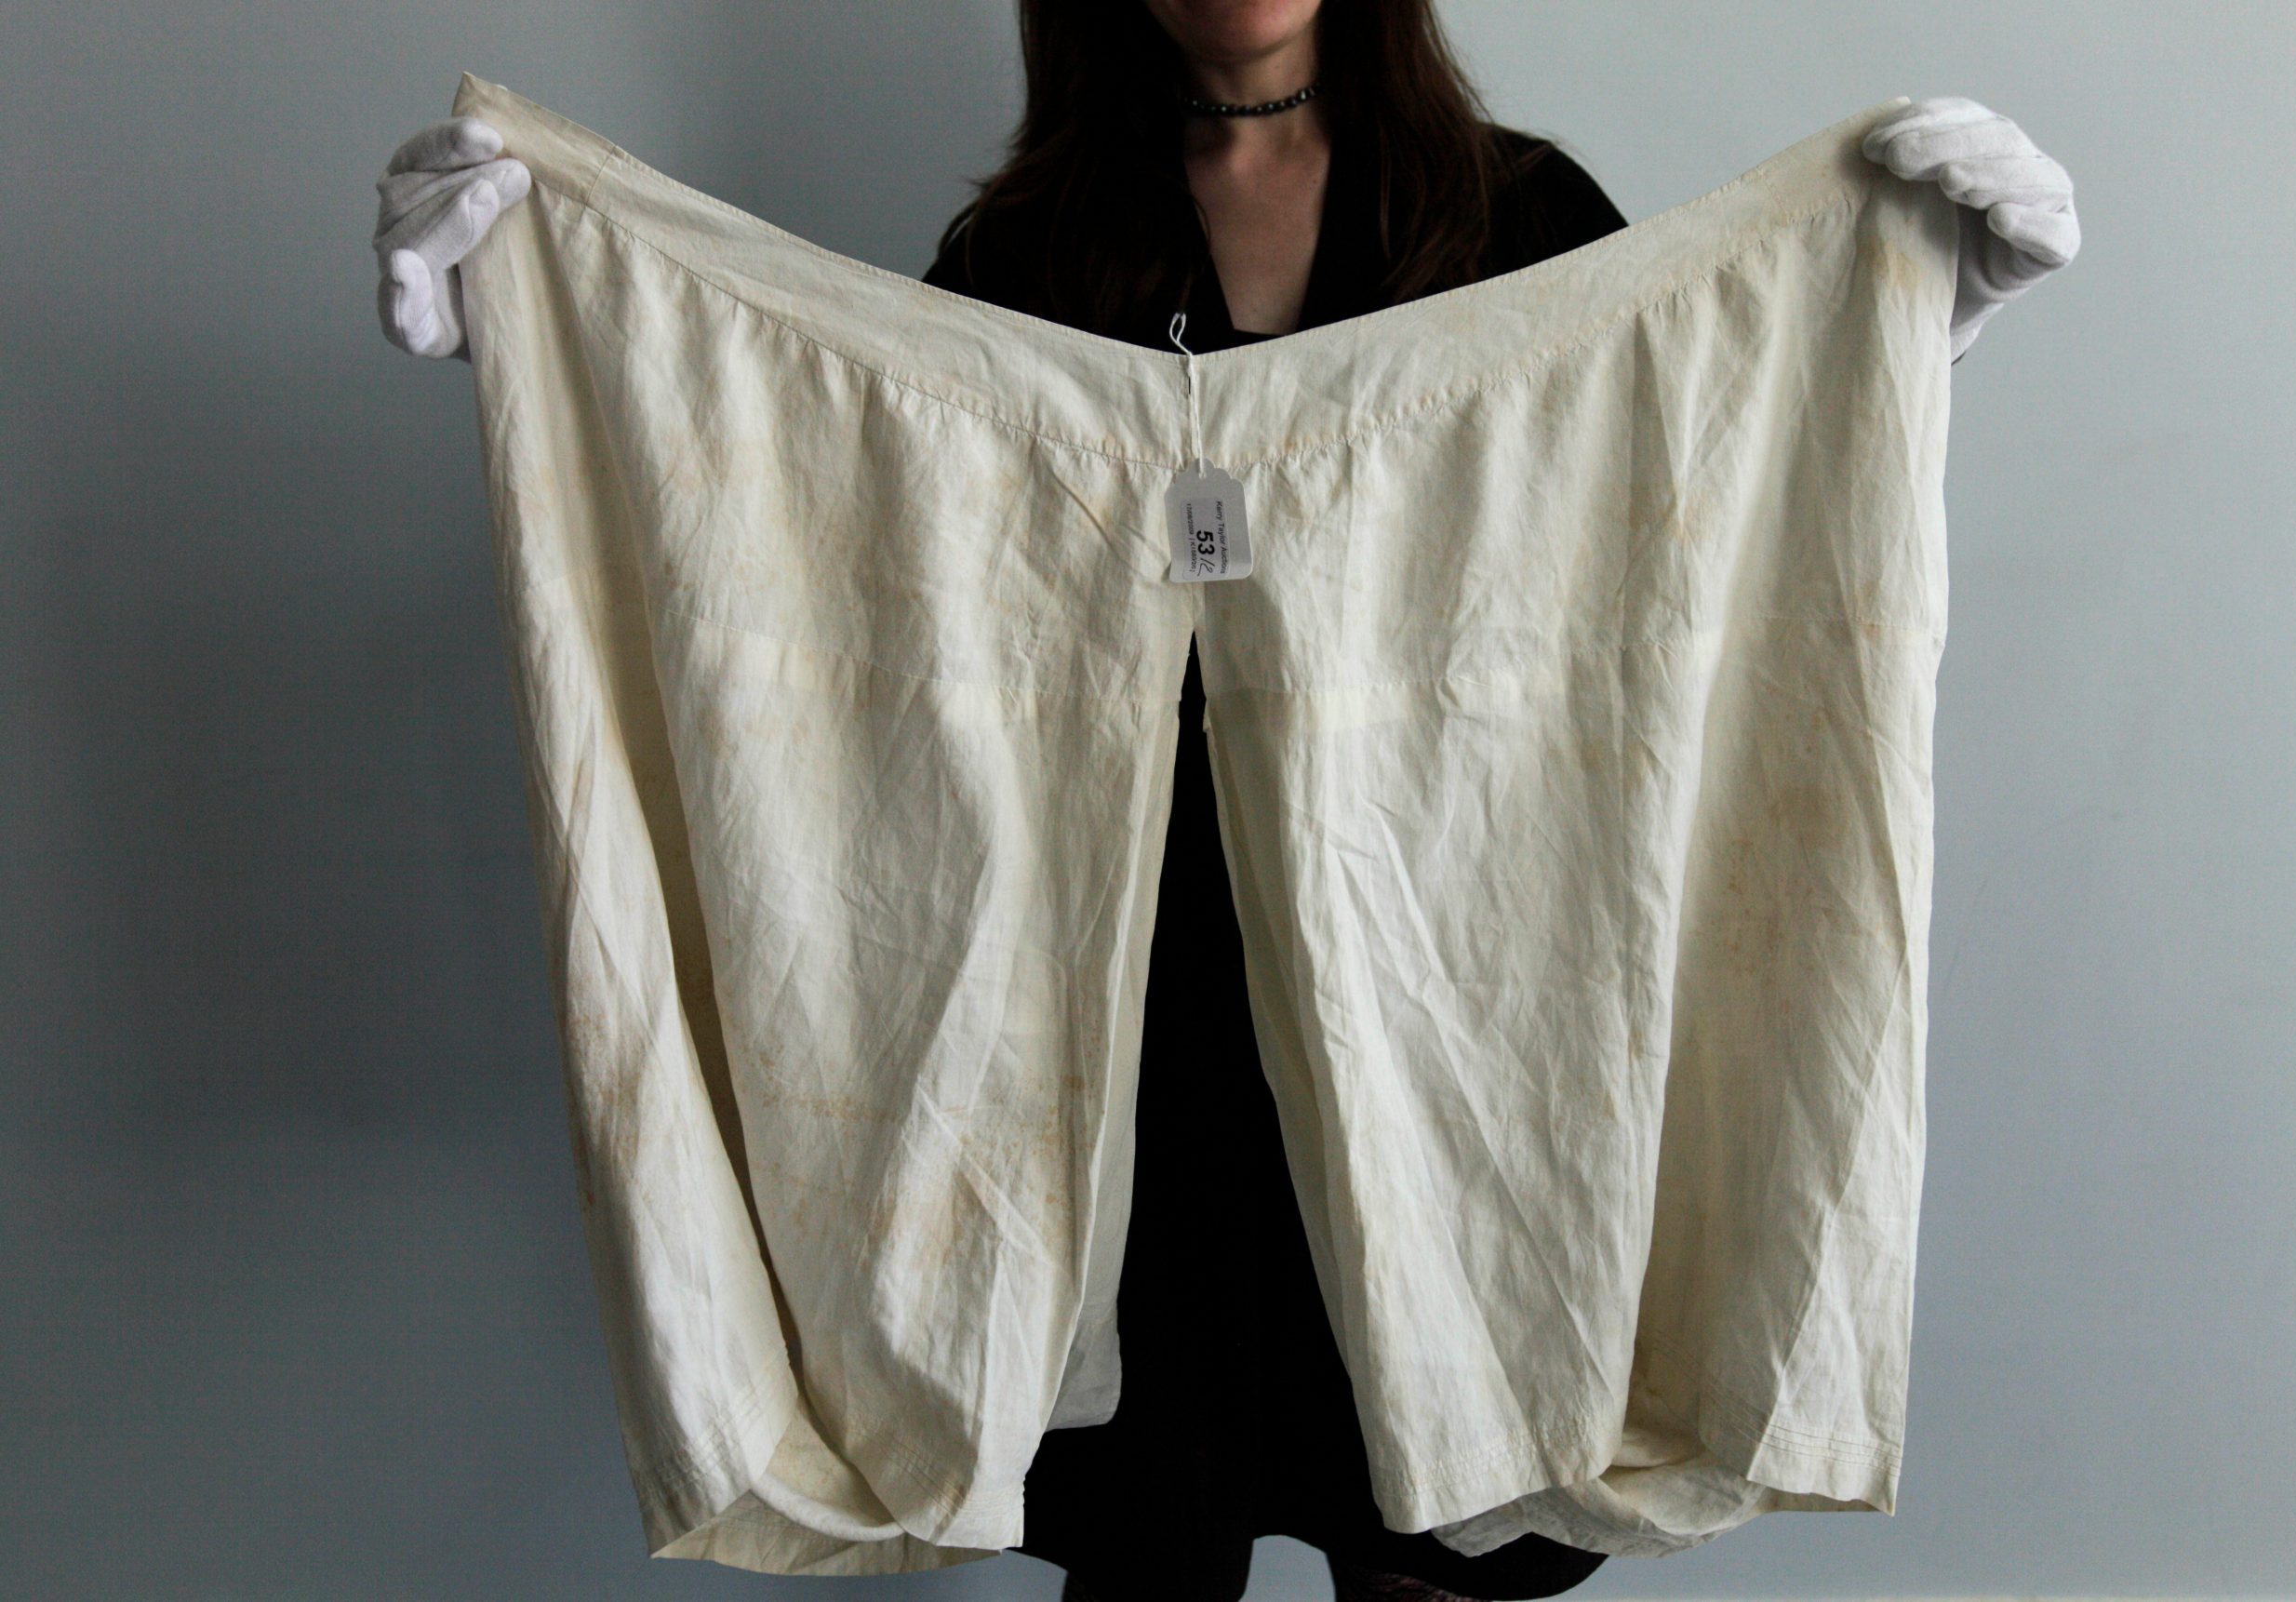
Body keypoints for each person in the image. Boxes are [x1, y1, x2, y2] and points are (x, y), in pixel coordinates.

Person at [372, 7, 2076, 1598]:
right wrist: (564, 346)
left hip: (1443, 993)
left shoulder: (1519, 218)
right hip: (1127, 1020)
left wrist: (1887, 314)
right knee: (1146, 1531)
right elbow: (844, 550)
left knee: (1439, 1501)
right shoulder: (1032, 248)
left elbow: (1677, 494)